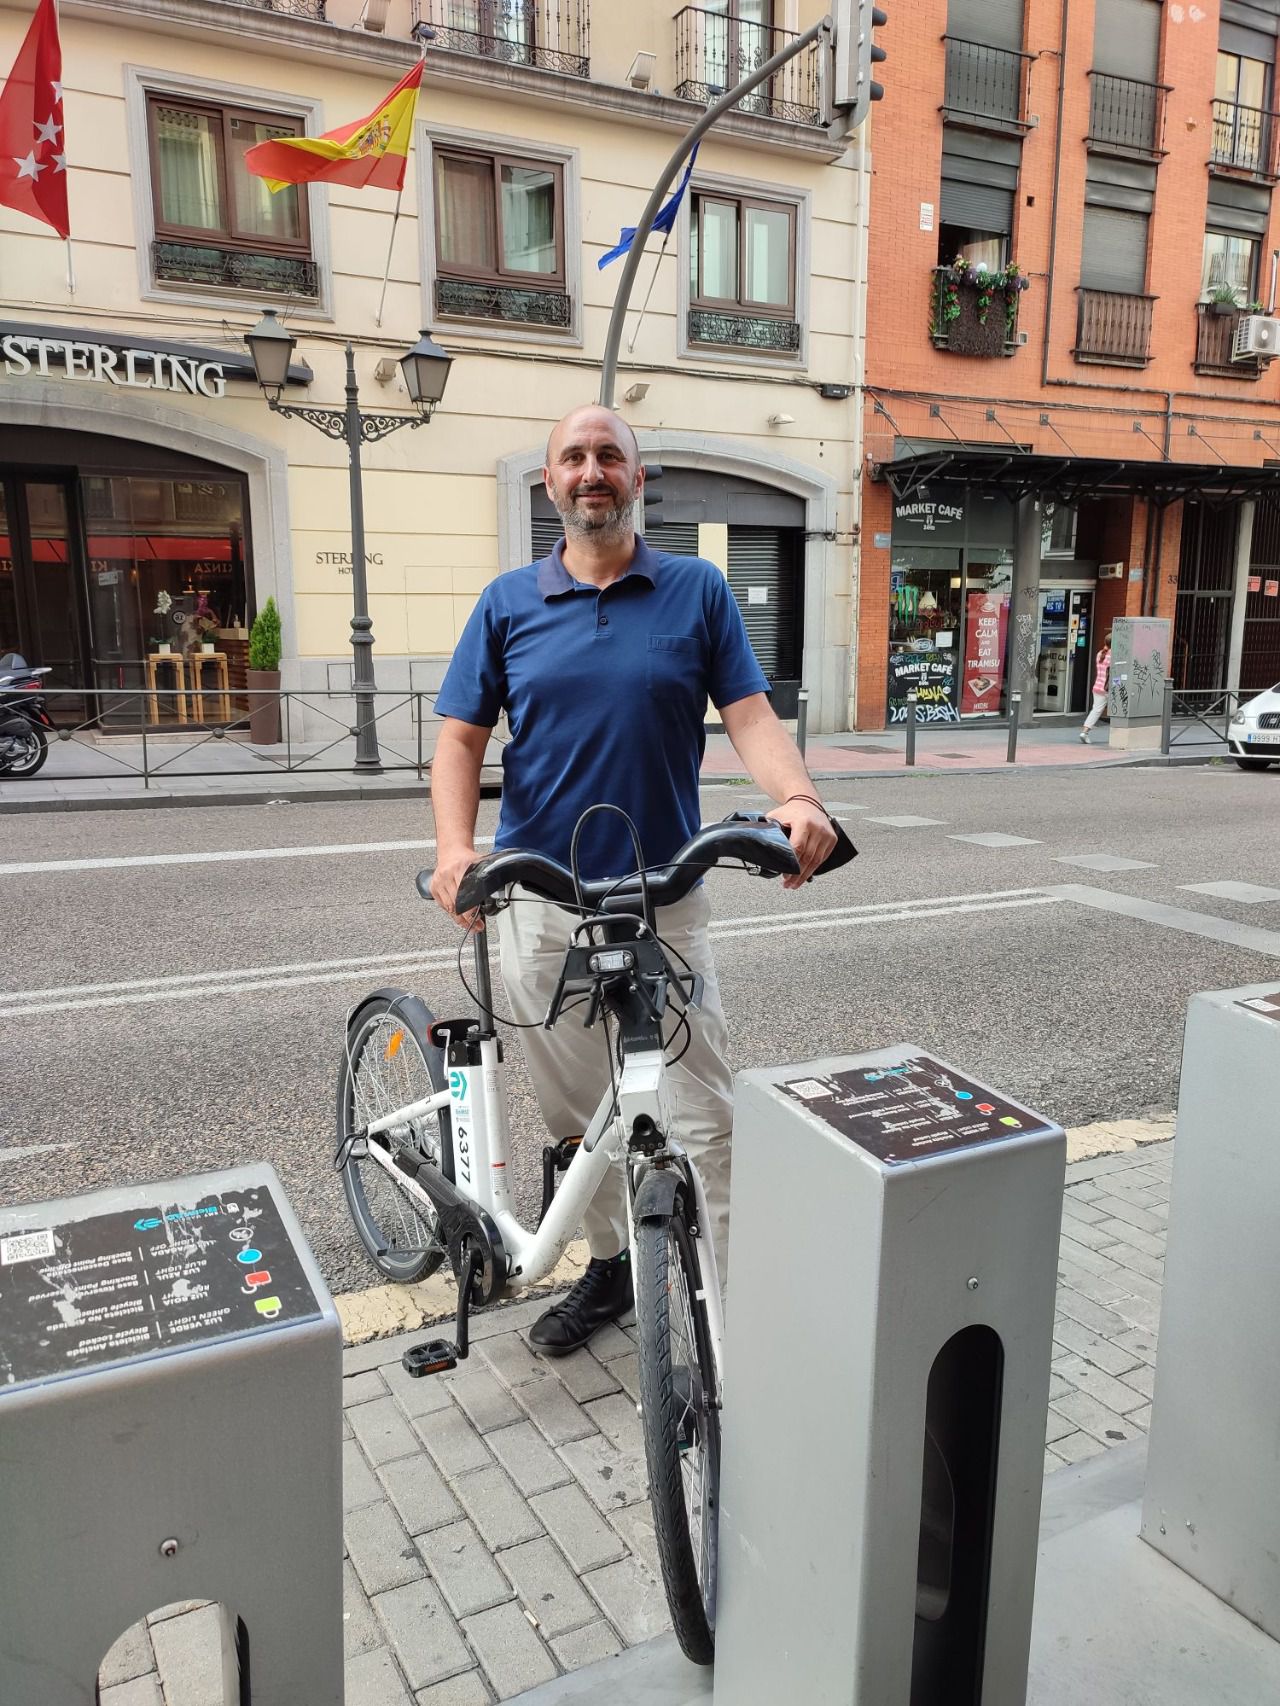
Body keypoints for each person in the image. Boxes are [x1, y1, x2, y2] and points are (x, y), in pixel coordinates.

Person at [429, 403, 837, 1355]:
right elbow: (460, 738)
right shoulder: (507, 603)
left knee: (704, 1114)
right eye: (573, 457)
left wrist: (797, 797)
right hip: (540, 900)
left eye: (609, 455)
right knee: (581, 1118)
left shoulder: (697, 589)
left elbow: (749, 715)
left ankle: (735, 1320)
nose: (591, 471)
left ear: (637, 479)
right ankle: (611, 1264)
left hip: (665, 898)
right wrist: (455, 848)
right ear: (550, 484)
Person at [1080, 632, 1112, 743]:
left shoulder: (1100, 654)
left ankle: (1084, 732)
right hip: (1109, 688)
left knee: (1096, 710)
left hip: (1098, 686)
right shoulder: (1114, 655)